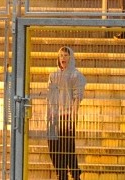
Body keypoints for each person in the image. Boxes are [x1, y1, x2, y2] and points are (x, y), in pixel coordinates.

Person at [46, 46, 85, 180]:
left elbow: (77, 97)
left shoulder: (76, 75)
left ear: (70, 58)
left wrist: (73, 117)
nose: (63, 58)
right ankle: (61, 175)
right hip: (54, 116)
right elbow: (49, 95)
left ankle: (75, 175)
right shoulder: (53, 75)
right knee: (53, 147)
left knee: (67, 148)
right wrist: (49, 114)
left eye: (66, 55)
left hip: (67, 115)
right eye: (61, 55)